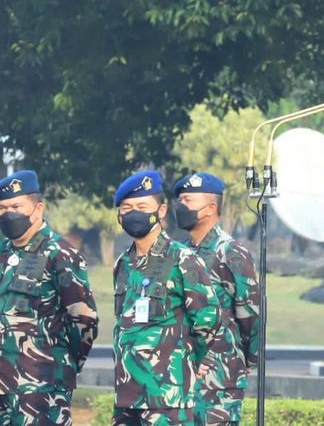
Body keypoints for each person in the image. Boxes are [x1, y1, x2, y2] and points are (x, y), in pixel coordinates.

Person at [112, 170, 222, 425]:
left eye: (142, 206)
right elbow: (123, 321)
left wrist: (194, 359)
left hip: (168, 396)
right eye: (127, 208)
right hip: (127, 395)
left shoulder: (181, 258)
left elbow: (208, 317)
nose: (133, 213)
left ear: (160, 211)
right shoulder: (123, 264)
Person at [0, 169, 98, 425]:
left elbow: (84, 320)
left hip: (42, 390)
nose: (8, 213)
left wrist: (63, 365)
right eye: (2, 208)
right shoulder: (2, 253)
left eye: (16, 206)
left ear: (38, 209)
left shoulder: (61, 254)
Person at [174, 172, 258, 425]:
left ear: (210, 208)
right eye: (179, 200)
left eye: (188, 200)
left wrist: (246, 360)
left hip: (220, 375)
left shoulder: (230, 252)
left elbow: (250, 314)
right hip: (181, 374)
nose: (181, 206)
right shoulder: (178, 253)